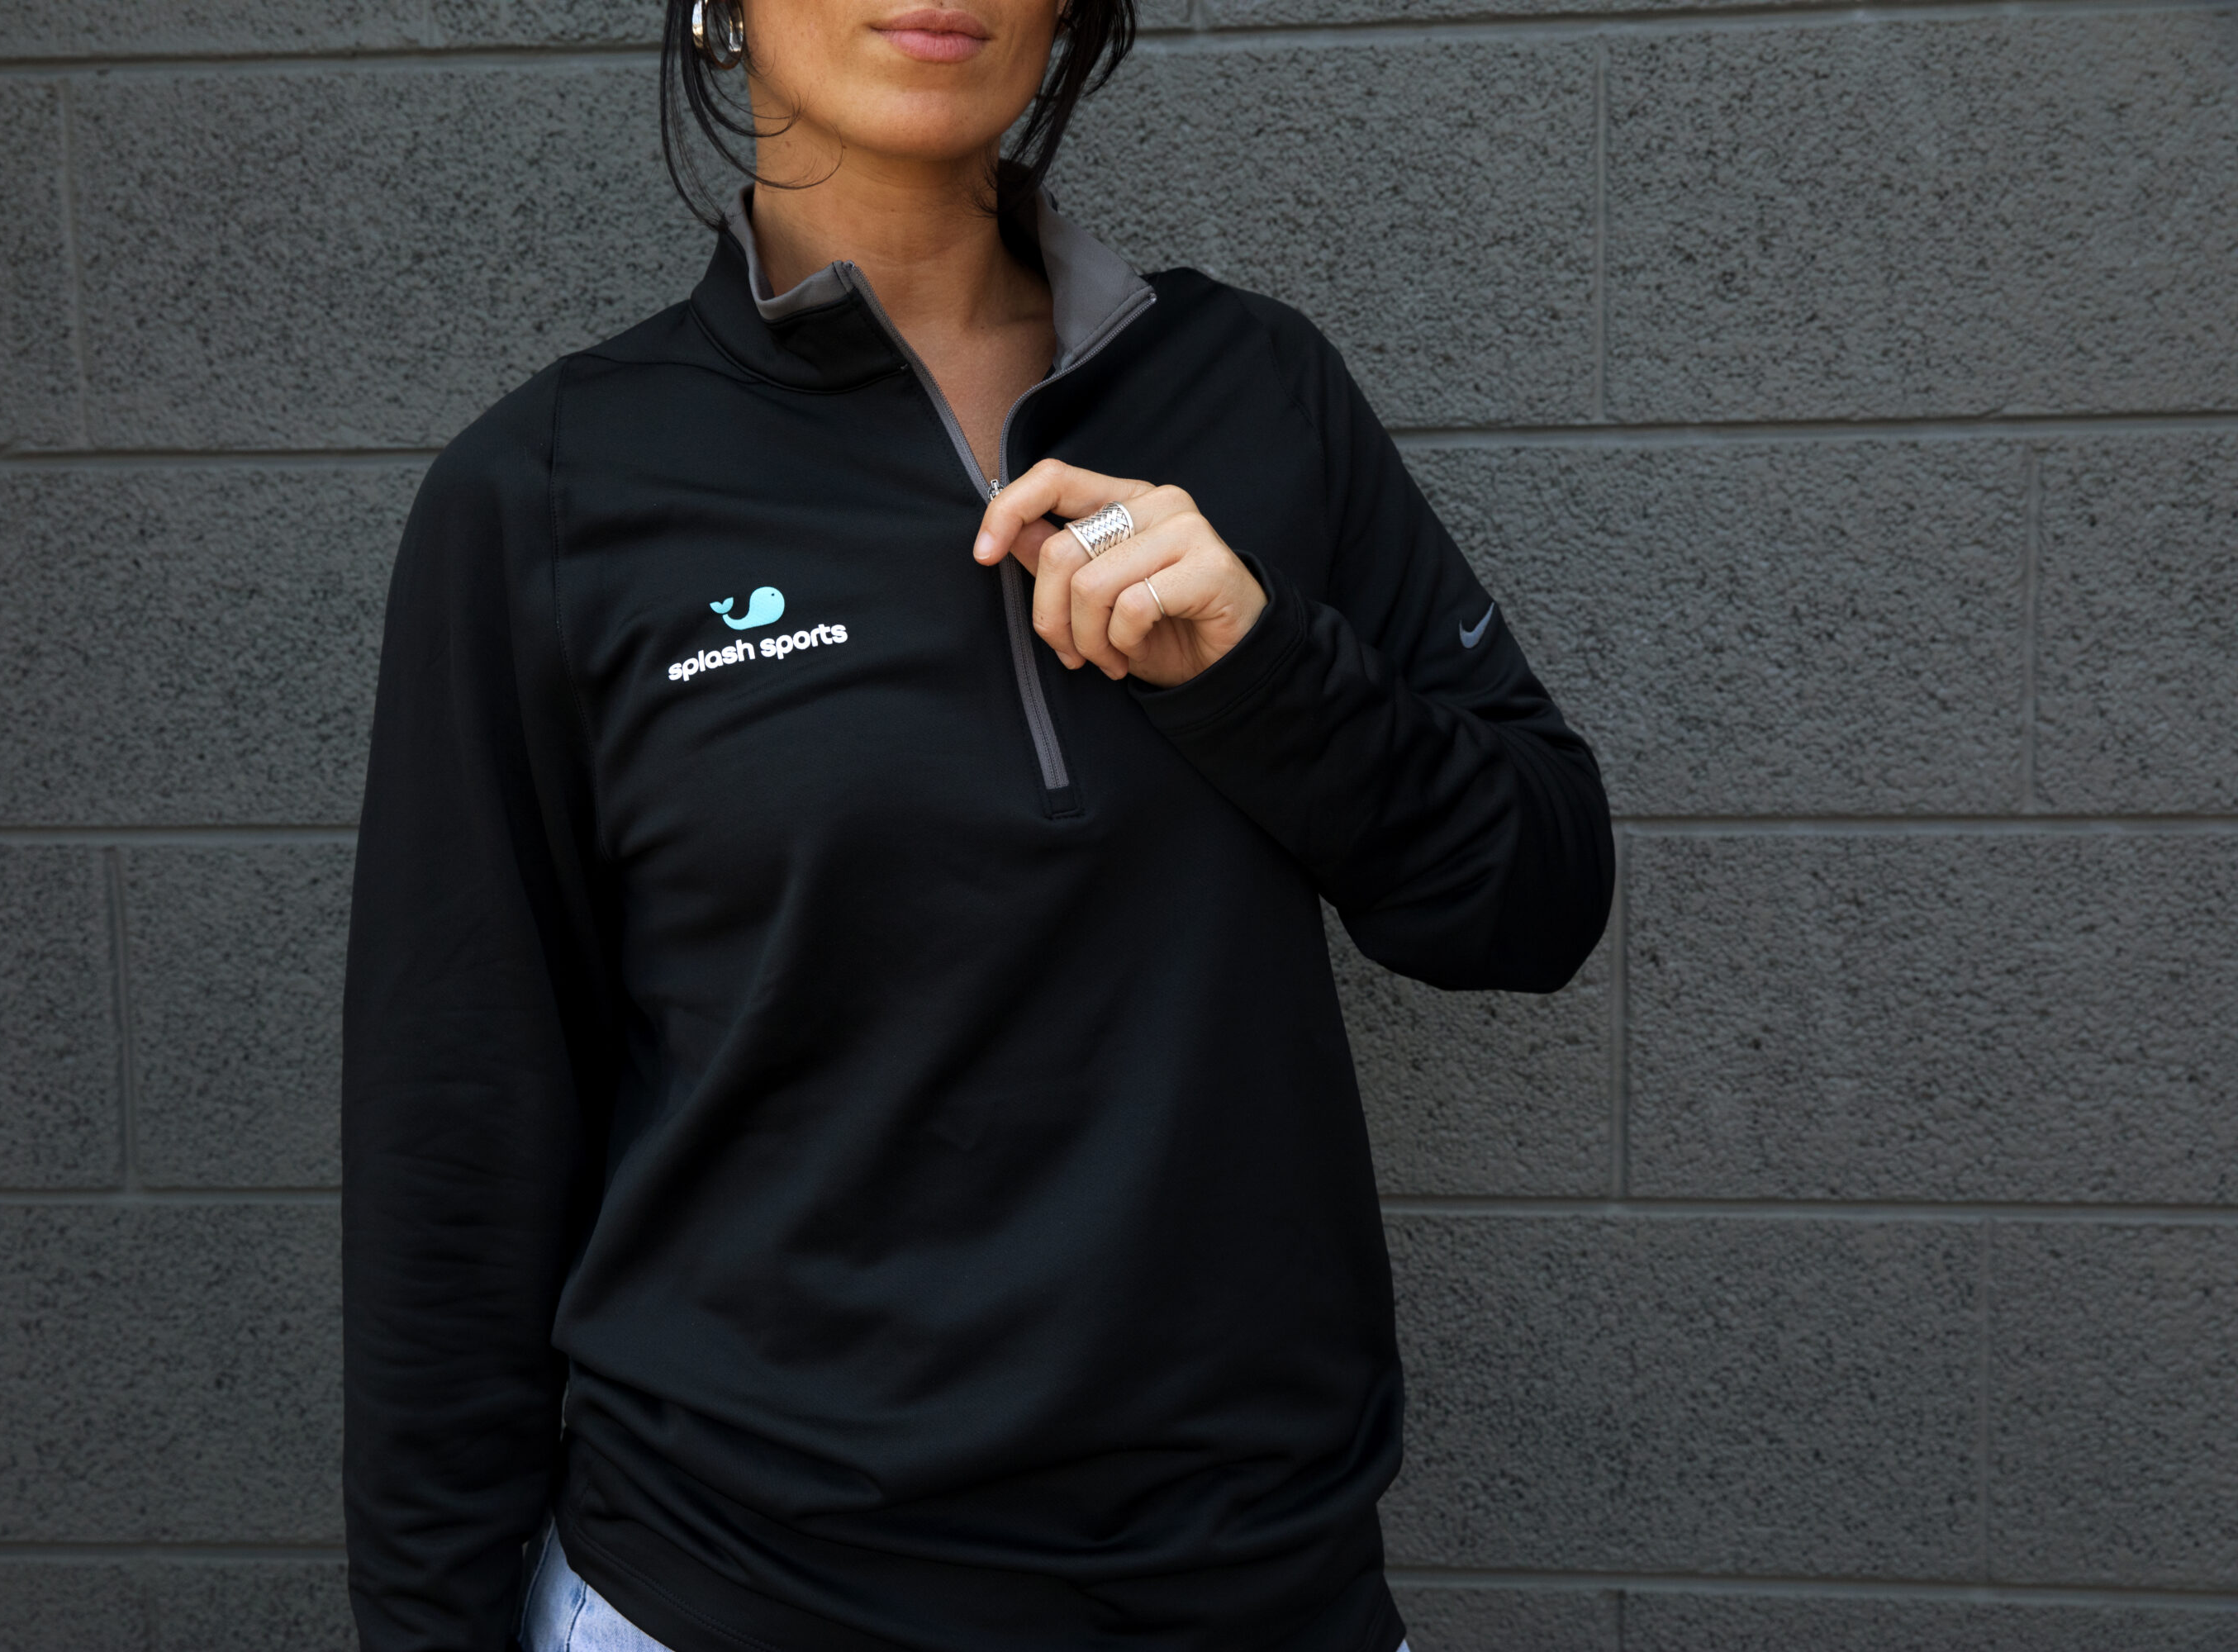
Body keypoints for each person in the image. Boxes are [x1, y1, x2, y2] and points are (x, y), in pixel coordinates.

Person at [340, 0, 1613, 1641]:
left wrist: (1262, 670)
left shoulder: (1255, 390)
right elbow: (455, 1152)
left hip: (1249, 1593)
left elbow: (1534, 895)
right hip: (737, 1594)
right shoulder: (548, 494)